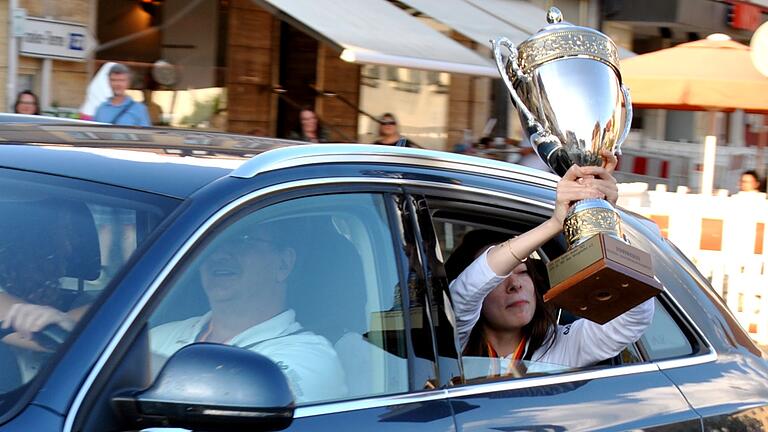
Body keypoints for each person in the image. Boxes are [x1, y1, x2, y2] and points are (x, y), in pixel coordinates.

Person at [447, 154, 654, 376]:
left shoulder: (559, 346)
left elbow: (635, 315)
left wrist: (602, 220)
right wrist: (555, 223)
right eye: (501, 278)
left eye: (523, 272)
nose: (515, 285)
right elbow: (466, 290)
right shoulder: (454, 341)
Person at [150, 219, 346, 403]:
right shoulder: (159, 336)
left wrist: (142, 368)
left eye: (242, 239)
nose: (218, 255)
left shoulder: (311, 357)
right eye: (212, 242)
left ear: (283, 264)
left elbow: (256, 403)